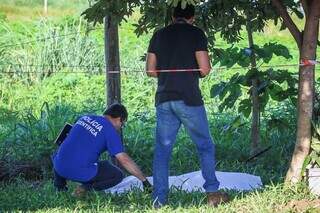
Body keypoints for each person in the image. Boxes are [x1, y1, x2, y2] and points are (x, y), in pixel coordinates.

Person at [146, 3, 229, 207]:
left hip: (165, 98)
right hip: (189, 98)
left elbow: (150, 70)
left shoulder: (159, 35)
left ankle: (159, 201)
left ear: (173, 17)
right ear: (192, 18)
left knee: (162, 151)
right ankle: (212, 193)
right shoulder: (196, 33)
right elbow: (205, 69)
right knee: (205, 146)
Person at [52, 103, 152, 197]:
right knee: (116, 175)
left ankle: (59, 189)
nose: (120, 128)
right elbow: (124, 160)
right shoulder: (110, 131)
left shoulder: (84, 117)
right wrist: (144, 181)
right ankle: (85, 188)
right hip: (78, 171)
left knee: (63, 153)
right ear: (119, 119)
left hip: (58, 165)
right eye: (122, 125)